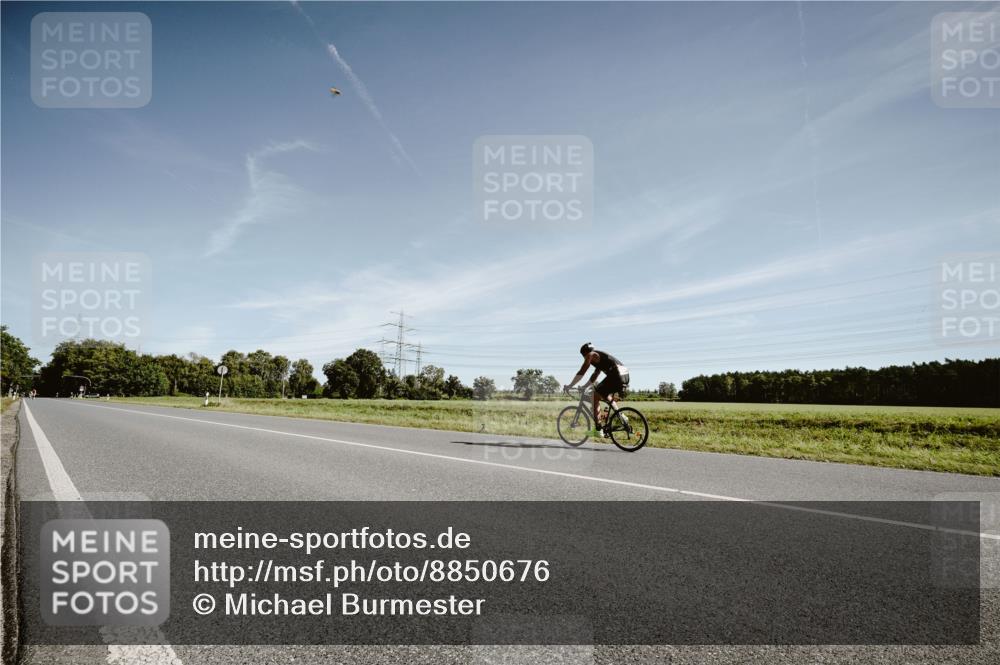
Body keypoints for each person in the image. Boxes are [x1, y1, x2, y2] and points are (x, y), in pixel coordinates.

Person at [564, 343, 629, 435]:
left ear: (585, 354)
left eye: (583, 356)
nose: (585, 358)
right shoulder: (599, 357)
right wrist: (584, 386)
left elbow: (582, 371)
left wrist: (570, 385)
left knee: (594, 396)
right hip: (624, 375)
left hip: (616, 375)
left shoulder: (591, 355)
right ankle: (621, 416)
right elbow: (595, 375)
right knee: (604, 395)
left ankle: (598, 430)